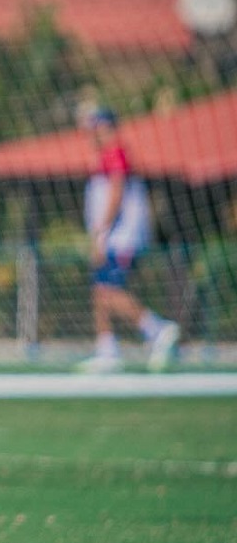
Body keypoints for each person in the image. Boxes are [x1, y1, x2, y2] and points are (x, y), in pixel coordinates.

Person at [76, 106, 179, 373]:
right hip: (110, 237)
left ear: (106, 127)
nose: (90, 134)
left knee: (108, 291)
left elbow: (116, 193)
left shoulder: (115, 153)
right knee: (100, 290)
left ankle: (156, 328)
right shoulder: (103, 156)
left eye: (95, 127)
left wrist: (101, 233)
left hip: (120, 238)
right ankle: (107, 348)